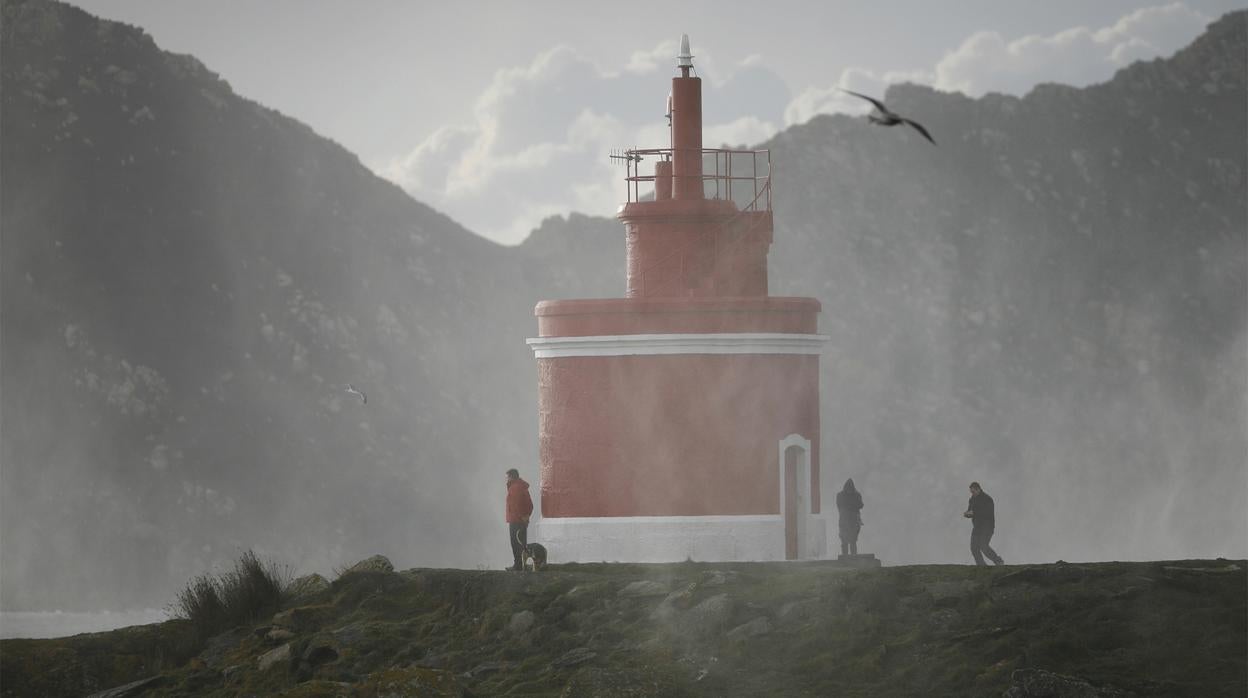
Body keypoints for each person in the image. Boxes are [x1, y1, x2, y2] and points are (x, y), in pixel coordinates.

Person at [963, 481, 1004, 566]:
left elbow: (987, 513)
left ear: (978, 489)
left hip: (987, 527)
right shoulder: (972, 499)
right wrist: (967, 514)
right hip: (977, 527)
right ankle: (981, 565)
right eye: (971, 492)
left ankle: (998, 561)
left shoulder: (987, 499)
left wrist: (974, 513)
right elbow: (970, 511)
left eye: (973, 492)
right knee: (974, 548)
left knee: (983, 546)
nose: (972, 494)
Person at [505, 468, 534, 571]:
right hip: (521, 521)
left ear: (512, 477)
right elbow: (530, 505)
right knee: (522, 543)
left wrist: (522, 517)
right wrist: (526, 517)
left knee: (516, 544)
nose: (506, 480)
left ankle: (518, 565)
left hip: (516, 521)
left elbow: (516, 505)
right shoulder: (522, 487)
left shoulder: (514, 488)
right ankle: (523, 565)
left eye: (507, 477)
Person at [835, 478, 864, 556]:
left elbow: (861, 505)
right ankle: (846, 557)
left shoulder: (856, 495)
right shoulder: (841, 495)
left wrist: (850, 507)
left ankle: (852, 557)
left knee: (852, 540)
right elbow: (839, 506)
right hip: (845, 520)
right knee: (845, 540)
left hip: (852, 520)